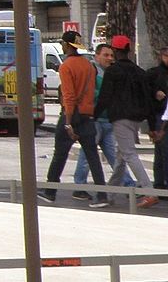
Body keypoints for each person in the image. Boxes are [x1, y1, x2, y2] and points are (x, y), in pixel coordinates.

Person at [42, 29, 109, 207]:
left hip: (71, 115)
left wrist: (68, 122)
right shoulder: (89, 66)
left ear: (66, 45)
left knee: (60, 155)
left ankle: (50, 191)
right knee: (93, 156)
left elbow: (69, 96)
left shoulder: (66, 66)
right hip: (88, 115)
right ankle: (102, 196)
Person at [94, 34, 160, 208]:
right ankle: (110, 193)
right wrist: (152, 126)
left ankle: (148, 191)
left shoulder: (112, 71)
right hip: (136, 119)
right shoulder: (139, 72)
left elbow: (105, 97)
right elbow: (148, 99)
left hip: (120, 118)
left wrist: (93, 116)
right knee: (121, 156)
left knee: (128, 154)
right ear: (129, 50)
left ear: (115, 51)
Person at [72, 43, 132, 198]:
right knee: (87, 155)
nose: (109, 58)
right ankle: (79, 185)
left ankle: (128, 184)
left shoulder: (110, 72)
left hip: (107, 119)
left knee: (113, 155)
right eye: (106, 55)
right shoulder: (92, 72)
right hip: (95, 119)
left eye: (111, 55)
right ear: (96, 56)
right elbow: (91, 93)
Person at [148, 44, 168, 192]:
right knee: (161, 150)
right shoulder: (155, 74)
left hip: (163, 115)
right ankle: (160, 182)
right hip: (160, 115)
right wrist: (155, 93)